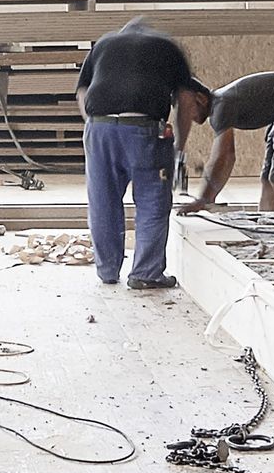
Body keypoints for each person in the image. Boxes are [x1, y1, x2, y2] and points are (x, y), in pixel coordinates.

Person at [74, 18, 208, 289]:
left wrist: (94, 125)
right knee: (152, 201)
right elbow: (185, 99)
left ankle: (107, 271)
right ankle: (146, 273)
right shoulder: (167, 47)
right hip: (143, 129)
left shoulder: (103, 43)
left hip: (99, 129)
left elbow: (82, 91)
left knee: (103, 200)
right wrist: (179, 147)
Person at [184, 68, 274, 216]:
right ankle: (268, 224)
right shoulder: (219, 106)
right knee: (267, 178)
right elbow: (223, 158)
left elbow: (224, 156)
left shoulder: (220, 107)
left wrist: (204, 199)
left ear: (201, 99)